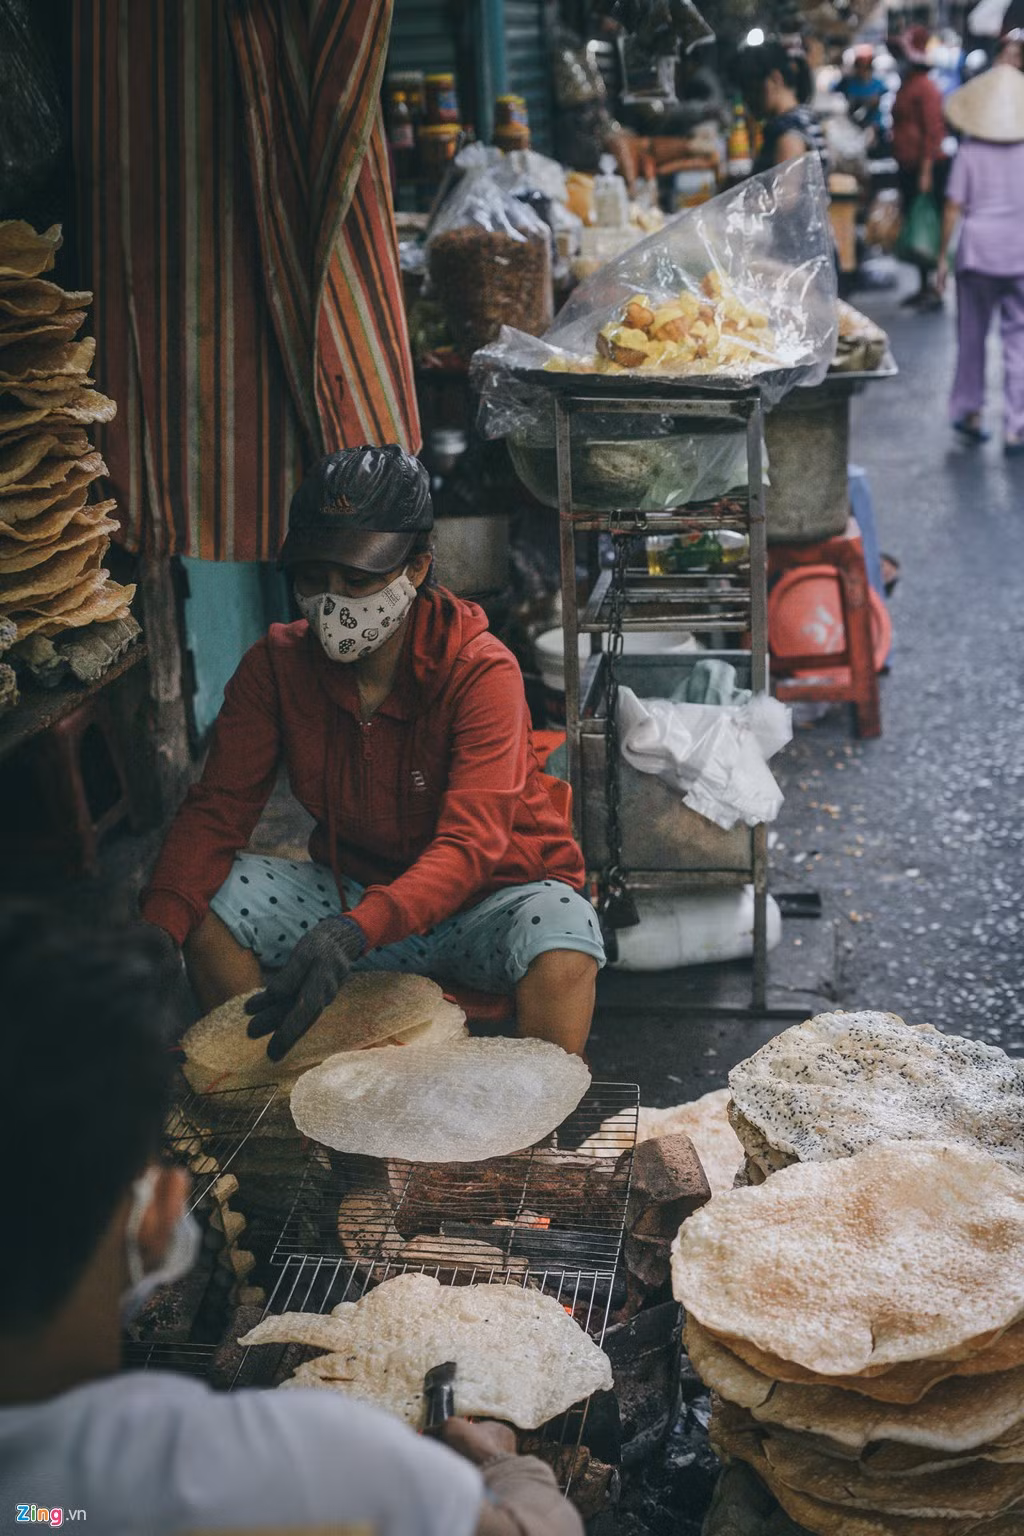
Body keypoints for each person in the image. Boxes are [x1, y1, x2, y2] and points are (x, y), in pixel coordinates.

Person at [0, 905, 584, 1536]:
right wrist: (509, 1471)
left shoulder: (38, 1504)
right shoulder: (310, 1465)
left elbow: (46, 1515)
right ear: (158, 1215)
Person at [141, 446, 605, 1061]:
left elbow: (470, 845)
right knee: (206, 897)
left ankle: (531, 1132)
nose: (333, 601)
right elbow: (215, 812)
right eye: (314, 578)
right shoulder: (274, 669)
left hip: (488, 905)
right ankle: (263, 1107)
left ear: (415, 568)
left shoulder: (481, 669)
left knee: (565, 931)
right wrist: (152, 934)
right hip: (357, 894)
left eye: (357, 580)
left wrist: (357, 931)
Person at [937, 63, 1024, 455]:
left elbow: (954, 206)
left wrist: (941, 258)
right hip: (1020, 252)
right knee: (1019, 341)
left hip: (977, 255)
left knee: (971, 338)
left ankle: (970, 412)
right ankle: (1016, 426)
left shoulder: (970, 150)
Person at [891, 25, 949, 311]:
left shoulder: (926, 87)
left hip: (925, 167)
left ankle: (935, 288)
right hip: (909, 165)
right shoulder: (908, 84)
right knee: (915, 226)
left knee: (928, 227)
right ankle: (923, 285)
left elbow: (933, 132)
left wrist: (926, 171)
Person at [734, 41, 830, 176]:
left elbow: (786, 195)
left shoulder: (788, 133)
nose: (747, 99)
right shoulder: (804, 116)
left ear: (775, 79)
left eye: (751, 89)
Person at [838, 44, 887, 147]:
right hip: (851, 128)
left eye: (866, 67)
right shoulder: (848, 83)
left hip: (873, 129)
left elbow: (882, 106)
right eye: (860, 67)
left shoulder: (879, 84)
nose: (863, 71)